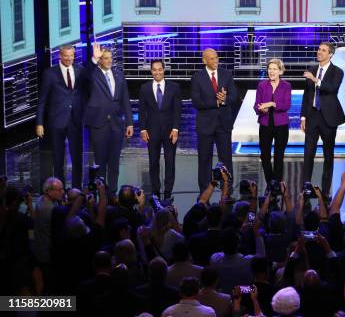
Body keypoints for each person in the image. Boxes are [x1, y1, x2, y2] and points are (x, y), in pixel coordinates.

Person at [83, 43, 134, 193]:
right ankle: (102, 195)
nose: (109, 61)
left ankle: (112, 194)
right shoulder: (93, 74)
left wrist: (129, 123)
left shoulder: (118, 74)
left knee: (114, 163)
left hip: (117, 124)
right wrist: (93, 58)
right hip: (99, 124)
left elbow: (125, 99)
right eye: (105, 58)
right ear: (100, 60)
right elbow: (84, 75)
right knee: (100, 163)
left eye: (110, 58)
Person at [36, 44, 86, 188]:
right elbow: (42, 100)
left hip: (75, 119)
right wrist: (39, 123)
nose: (70, 58)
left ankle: (77, 190)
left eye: (72, 55)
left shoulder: (80, 70)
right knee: (58, 159)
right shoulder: (50, 73)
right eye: (66, 55)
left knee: (77, 158)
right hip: (57, 121)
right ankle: (59, 191)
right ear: (60, 55)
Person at [300, 42, 345, 196]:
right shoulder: (312, 70)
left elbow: (332, 89)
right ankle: (305, 187)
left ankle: (325, 191)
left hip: (328, 118)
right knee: (308, 154)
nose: (319, 52)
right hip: (312, 116)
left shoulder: (337, 71)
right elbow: (307, 96)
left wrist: (316, 80)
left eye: (323, 50)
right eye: (319, 49)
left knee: (328, 155)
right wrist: (303, 117)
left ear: (330, 54)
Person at [191, 48, 237, 191]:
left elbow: (235, 97)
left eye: (216, 57)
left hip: (224, 123)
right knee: (204, 159)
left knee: (226, 158)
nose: (216, 60)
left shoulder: (226, 74)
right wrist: (215, 102)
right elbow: (196, 102)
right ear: (204, 60)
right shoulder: (197, 77)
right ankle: (205, 190)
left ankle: (227, 188)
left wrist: (224, 100)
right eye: (212, 58)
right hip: (205, 125)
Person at [138, 60, 182, 200]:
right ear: (151, 71)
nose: (157, 72)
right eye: (154, 70)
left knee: (170, 162)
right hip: (152, 131)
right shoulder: (144, 88)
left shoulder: (174, 87)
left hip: (170, 131)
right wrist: (143, 129)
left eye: (159, 69)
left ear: (164, 70)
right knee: (153, 162)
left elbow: (177, 110)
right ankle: (156, 191)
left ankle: (168, 191)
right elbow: (142, 110)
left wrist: (176, 128)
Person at [254, 58, 292, 185]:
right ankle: (270, 183)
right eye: (269, 69)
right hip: (265, 124)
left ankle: (277, 183)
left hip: (281, 125)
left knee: (278, 156)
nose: (271, 71)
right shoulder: (262, 85)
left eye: (274, 69)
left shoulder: (286, 86)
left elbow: (286, 105)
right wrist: (261, 109)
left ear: (280, 71)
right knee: (265, 156)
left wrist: (271, 103)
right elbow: (256, 105)